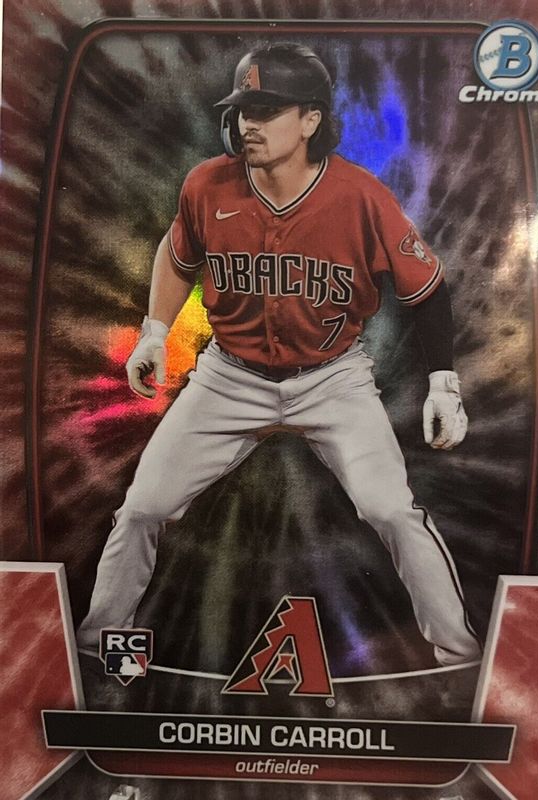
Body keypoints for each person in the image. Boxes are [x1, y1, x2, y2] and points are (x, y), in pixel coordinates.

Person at [77, 43, 481, 666]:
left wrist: (444, 383)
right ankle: (94, 647)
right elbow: (178, 255)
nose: (249, 123)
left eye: (267, 110)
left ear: (311, 119)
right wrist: (155, 332)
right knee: (143, 508)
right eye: (244, 110)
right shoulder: (207, 185)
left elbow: (426, 290)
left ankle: (461, 657)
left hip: (332, 379)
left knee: (391, 510)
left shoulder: (361, 197)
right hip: (229, 376)